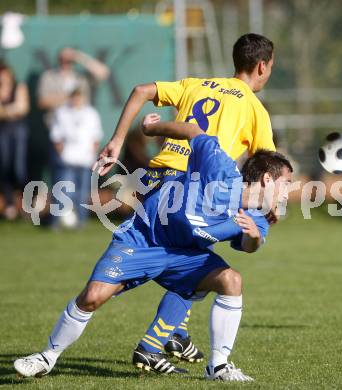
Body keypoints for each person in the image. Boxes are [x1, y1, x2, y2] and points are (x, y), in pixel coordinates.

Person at [14, 116, 292, 382]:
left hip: (185, 254)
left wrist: (254, 237)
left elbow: (248, 246)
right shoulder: (219, 168)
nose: (288, 191)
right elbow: (194, 131)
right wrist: (152, 130)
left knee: (232, 280)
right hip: (144, 237)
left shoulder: (260, 217)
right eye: (286, 183)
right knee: (92, 297)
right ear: (267, 179)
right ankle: (46, 357)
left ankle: (218, 366)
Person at [95, 33, 277, 363]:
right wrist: (269, 201)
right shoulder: (255, 109)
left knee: (186, 256)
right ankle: (157, 341)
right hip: (191, 188)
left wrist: (117, 141)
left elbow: (140, 91)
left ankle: (174, 334)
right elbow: (268, 167)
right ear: (263, 66)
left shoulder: (198, 83)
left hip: (154, 180)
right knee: (196, 265)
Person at [50, 86, 103, 227]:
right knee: (64, 191)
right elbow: (56, 137)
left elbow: (96, 137)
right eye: (74, 96)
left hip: (85, 160)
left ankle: (81, 222)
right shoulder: (61, 112)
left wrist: (90, 154)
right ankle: (57, 222)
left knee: (82, 193)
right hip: (67, 160)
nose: (76, 100)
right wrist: (62, 154)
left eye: (79, 97)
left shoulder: (91, 113)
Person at [0, 61, 29, 220]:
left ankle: (27, 203)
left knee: (19, 168)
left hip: (18, 130)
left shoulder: (19, 87)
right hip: (3, 130)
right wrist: (11, 110)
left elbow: (23, 108)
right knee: (5, 166)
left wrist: (6, 111)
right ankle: (10, 204)